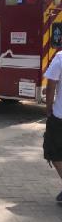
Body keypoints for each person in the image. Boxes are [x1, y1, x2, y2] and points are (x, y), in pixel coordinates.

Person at [43, 50, 62, 202]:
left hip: (60, 116)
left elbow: (50, 85)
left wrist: (48, 107)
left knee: (54, 152)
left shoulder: (60, 57)